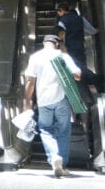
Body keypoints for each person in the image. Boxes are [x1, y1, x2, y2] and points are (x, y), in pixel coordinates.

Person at [24, 34, 82, 178]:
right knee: (63, 132)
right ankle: (62, 163)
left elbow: (30, 82)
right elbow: (78, 75)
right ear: (57, 44)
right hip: (62, 100)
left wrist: (27, 102)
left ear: (44, 43)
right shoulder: (63, 56)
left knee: (45, 130)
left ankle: (55, 158)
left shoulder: (35, 57)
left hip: (44, 101)